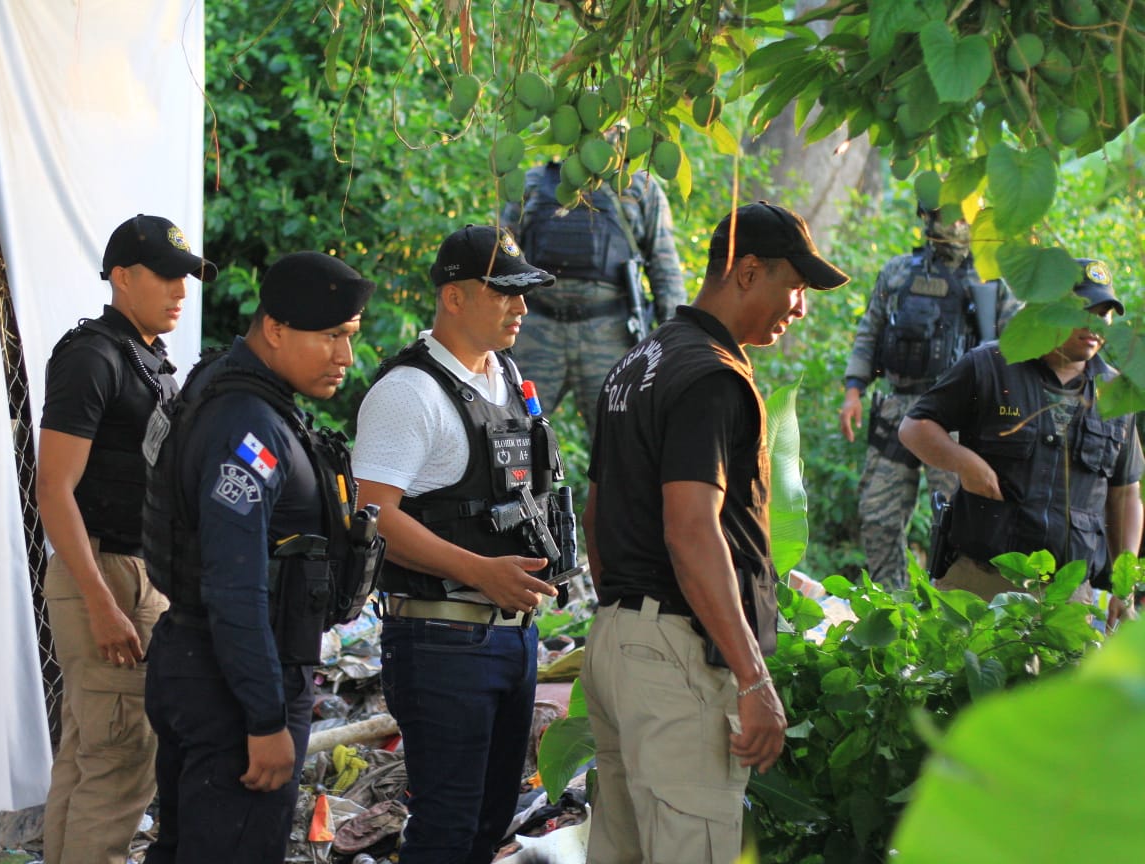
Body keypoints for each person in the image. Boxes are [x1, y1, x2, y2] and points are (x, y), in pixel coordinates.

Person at [581, 201, 849, 864]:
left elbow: (596, 512)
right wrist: (753, 678)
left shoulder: (636, 363)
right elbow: (692, 530)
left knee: (620, 850)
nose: (800, 308)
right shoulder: (711, 376)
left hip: (617, 638)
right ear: (747, 272)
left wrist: (626, 627)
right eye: (795, 286)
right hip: (677, 652)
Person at [139, 251, 376, 862]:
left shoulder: (233, 390)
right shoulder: (248, 426)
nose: (346, 357)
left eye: (349, 337)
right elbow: (234, 585)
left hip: (209, 665)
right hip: (232, 683)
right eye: (331, 336)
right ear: (275, 329)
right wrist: (265, 720)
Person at [352, 224, 565, 864]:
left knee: (490, 822)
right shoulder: (407, 392)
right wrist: (480, 570)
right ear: (453, 296)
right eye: (503, 292)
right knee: (446, 827)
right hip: (441, 639)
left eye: (523, 293)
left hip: (512, 637)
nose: (520, 307)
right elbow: (371, 514)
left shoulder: (506, 375)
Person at [36, 214, 215, 864]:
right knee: (120, 762)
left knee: (90, 758)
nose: (180, 291)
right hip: (107, 571)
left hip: (132, 572)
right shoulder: (94, 356)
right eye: (166, 276)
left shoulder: (146, 358)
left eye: (185, 278)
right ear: (121, 276)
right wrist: (102, 602)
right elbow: (53, 489)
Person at [899, 258, 1143, 628]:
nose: (1094, 324)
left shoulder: (1115, 394)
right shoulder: (991, 365)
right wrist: (965, 462)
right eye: (1082, 311)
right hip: (979, 583)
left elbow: (1125, 495)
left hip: (1067, 598)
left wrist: (1124, 588)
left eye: (1103, 314)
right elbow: (914, 428)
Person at [839, 205, 1021, 589]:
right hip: (898, 409)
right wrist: (853, 391)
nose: (955, 225)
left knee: (960, 519)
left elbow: (1015, 351)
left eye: (963, 217)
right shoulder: (897, 272)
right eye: (948, 216)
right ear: (929, 217)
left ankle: (947, 603)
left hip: (956, 418)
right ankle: (892, 599)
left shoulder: (991, 278)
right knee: (878, 515)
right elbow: (870, 331)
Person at [501, 141, 685, 437]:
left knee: (622, 440)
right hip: (536, 331)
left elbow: (665, 269)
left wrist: (674, 347)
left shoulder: (637, 187)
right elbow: (501, 263)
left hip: (609, 333)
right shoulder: (533, 184)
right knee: (514, 435)